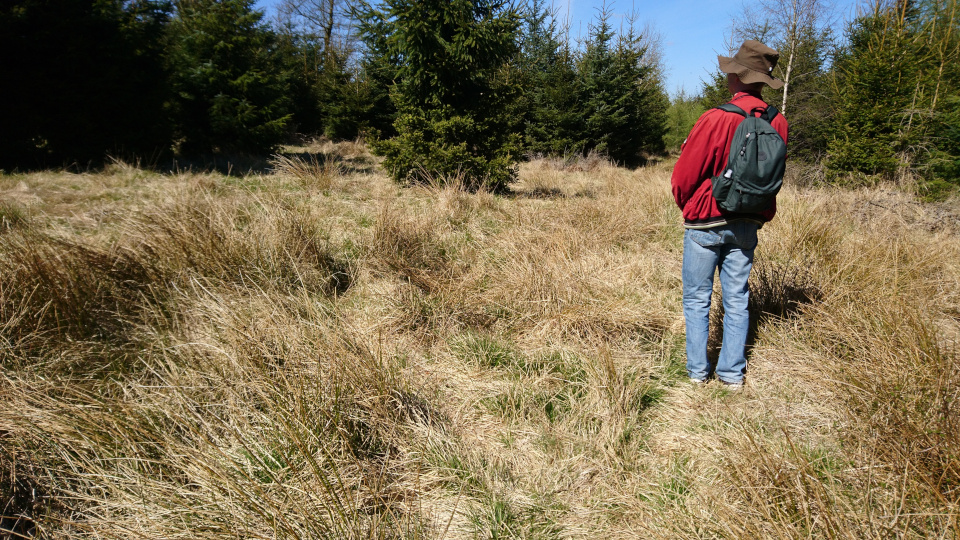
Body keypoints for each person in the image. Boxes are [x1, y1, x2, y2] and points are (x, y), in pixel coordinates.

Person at [671, 40, 789, 390]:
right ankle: (732, 376)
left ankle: (697, 373)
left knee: (696, 297)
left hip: (706, 218)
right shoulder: (778, 121)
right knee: (737, 297)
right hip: (749, 220)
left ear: (737, 76)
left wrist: (689, 207)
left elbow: (684, 176)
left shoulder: (716, 117)